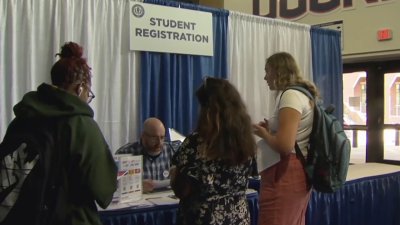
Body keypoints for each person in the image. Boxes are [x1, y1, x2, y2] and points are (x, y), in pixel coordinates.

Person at [0, 42, 118, 225]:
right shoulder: (81, 125)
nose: (88, 98)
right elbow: (104, 189)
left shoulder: (22, 118)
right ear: (80, 88)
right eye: (89, 93)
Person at [170, 77, 257, 225]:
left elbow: (182, 189)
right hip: (238, 216)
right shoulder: (245, 141)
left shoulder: (196, 143)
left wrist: (174, 175)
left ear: (207, 110)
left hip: (205, 217)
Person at [253, 52, 319, 225]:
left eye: (267, 71)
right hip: (297, 169)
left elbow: (284, 145)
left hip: (286, 172)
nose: (265, 77)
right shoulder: (302, 94)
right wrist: (271, 131)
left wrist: (263, 134)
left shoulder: (290, 96)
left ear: (278, 72)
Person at [115, 117, 181, 193]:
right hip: (136, 201)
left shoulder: (171, 151)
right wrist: (137, 186)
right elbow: (114, 184)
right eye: (154, 137)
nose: (159, 142)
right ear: (143, 136)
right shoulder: (125, 153)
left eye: (162, 137)